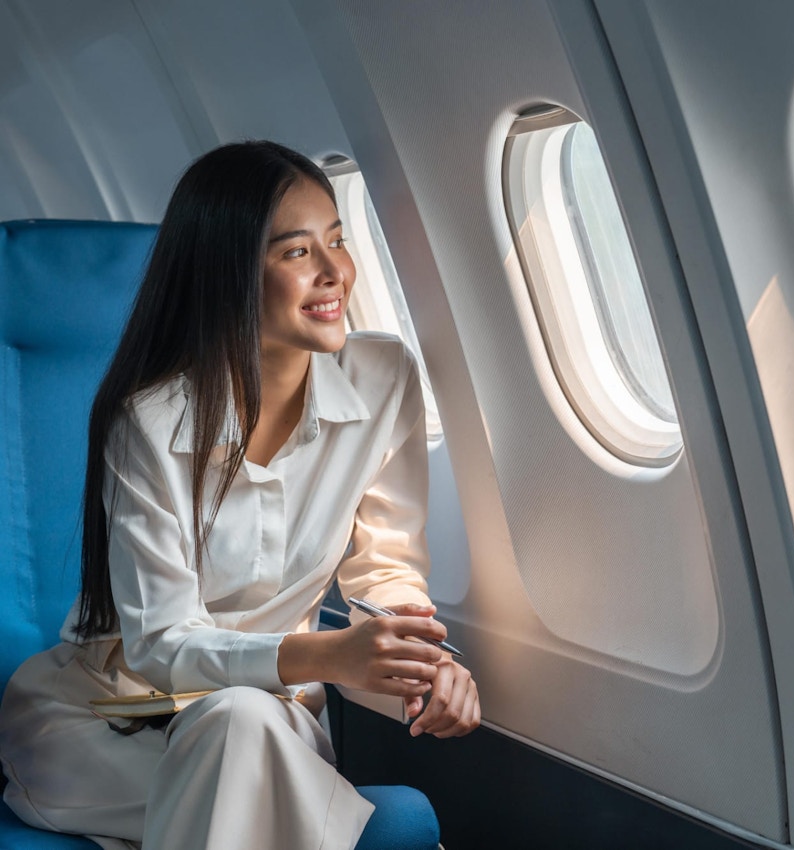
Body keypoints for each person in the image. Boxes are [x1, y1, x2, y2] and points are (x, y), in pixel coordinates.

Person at [0, 140, 479, 850]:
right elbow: (162, 644)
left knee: (241, 728)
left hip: (266, 715)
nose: (334, 272)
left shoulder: (385, 379)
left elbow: (386, 566)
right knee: (245, 755)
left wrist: (420, 661)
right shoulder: (150, 422)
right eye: (297, 252)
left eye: (337, 240)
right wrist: (328, 655)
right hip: (103, 721)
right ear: (228, 275)